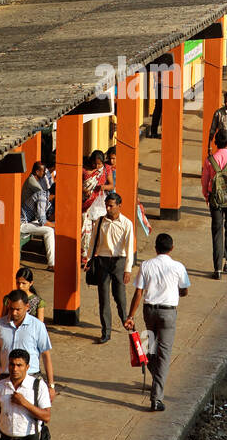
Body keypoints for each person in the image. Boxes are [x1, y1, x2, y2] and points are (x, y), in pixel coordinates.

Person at [124, 234, 190, 412]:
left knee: (149, 347)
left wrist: (130, 316)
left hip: (149, 311)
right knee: (164, 354)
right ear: (172, 248)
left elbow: (138, 293)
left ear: (155, 248)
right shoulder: (178, 267)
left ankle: (155, 377)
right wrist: (175, 292)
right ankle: (156, 398)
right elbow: (184, 291)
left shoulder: (146, 265)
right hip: (168, 313)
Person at [85, 192, 134, 343]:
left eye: (111, 205)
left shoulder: (127, 223)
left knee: (120, 296)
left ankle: (126, 320)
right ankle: (105, 332)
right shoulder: (100, 221)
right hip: (102, 262)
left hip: (119, 261)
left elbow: (129, 246)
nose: (108, 208)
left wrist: (128, 269)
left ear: (119, 206)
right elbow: (93, 242)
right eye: (107, 205)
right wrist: (88, 260)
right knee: (103, 298)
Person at [0, 289, 54, 395]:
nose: (14, 313)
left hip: (31, 378)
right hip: (6, 378)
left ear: (27, 307)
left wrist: (51, 385)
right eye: (11, 309)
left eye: (18, 309)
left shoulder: (38, 326)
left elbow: (46, 355)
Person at [201, 128, 227, 280]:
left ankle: (217, 268)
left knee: (217, 231)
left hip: (215, 201)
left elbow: (205, 181)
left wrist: (207, 196)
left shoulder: (209, 160)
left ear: (215, 143)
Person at [21, 160, 56, 268]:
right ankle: (52, 264)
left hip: (32, 219)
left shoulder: (46, 198)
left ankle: (53, 260)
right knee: (49, 230)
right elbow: (42, 220)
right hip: (22, 223)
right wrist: (55, 225)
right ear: (37, 172)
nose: (44, 174)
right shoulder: (40, 193)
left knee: (51, 226)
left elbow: (47, 217)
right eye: (43, 171)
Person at [80, 151, 113, 262]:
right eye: (95, 164)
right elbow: (78, 185)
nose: (97, 166)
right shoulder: (83, 169)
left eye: (99, 164)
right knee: (85, 229)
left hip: (99, 203)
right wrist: (85, 190)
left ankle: (97, 254)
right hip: (86, 203)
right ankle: (85, 256)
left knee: (99, 229)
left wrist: (103, 187)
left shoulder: (106, 169)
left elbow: (111, 185)